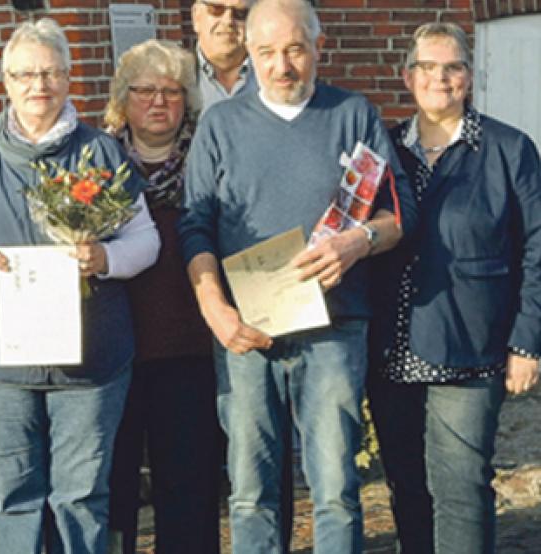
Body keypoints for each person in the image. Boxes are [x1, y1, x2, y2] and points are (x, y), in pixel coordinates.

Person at [177, 0, 418, 551]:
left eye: (294, 49)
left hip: (333, 328)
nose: (281, 65)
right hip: (245, 333)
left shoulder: (353, 113)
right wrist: (215, 309)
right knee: (249, 491)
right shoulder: (220, 125)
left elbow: (400, 210)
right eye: (266, 52)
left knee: (335, 488)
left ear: (318, 46)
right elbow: (196, 226)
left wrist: (358, 242)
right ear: (249, 53)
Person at [0, 18, 160, 554]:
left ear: (69, 78)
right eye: (25, 74)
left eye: (50, 73)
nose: (38, 86)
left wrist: (104, 258)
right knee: (8, 495)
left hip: (90, 363)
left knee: (80, 496)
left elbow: (147, 241)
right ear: (4, 82)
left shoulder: (102, 153)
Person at [367, 22, 541, 554]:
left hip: (471, 345)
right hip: (393, 347)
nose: (440, 78)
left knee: (460, 482)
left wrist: (527, 342)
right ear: (407, 77)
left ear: (469, 77)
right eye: (427, 67)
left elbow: (538, 246)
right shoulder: (385, 149)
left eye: (453, 67)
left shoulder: (508, 150)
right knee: (407, 483)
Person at [101, 40, 219, 554]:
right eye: (145, 90)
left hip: (188, 350)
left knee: (188, 486)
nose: (158, 102)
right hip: (112, 351)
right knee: (111, 485)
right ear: (122, 99)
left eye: (171, 91)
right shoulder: (95, 163)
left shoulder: (211, 160)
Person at [192, 0, 257, 109]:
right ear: (196, 17)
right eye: (217, 10)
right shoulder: (175, 79)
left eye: (240, 13)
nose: (228, 21)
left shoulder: (273, 78)